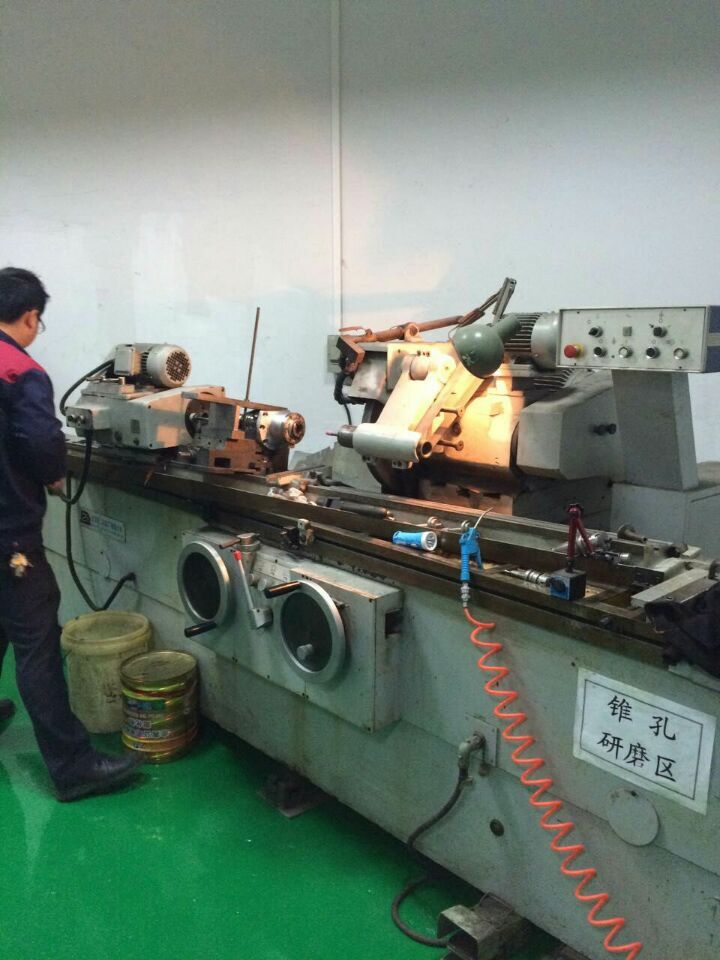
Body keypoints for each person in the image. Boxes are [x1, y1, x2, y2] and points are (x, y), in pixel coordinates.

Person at [0, 266, 141, 801]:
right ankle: (73, 766)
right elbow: (40, 440)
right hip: (9, 534)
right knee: (37, 643)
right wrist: (53, 472)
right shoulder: (20, 370)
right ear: (30, 316)